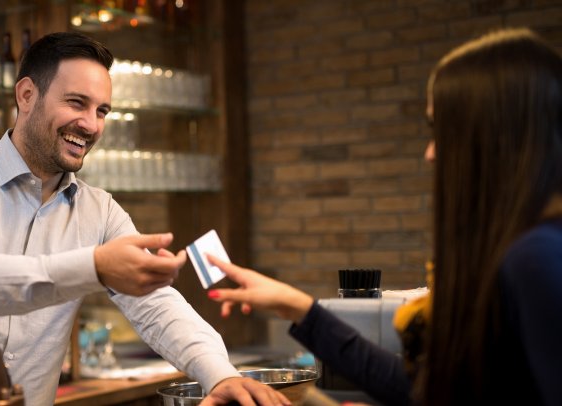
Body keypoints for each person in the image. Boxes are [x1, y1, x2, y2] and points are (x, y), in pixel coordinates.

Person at [0, 32, 288, 406]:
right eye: (76, 103)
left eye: (102, 110)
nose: (90, 125)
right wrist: (95, 267)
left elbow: (156, 305)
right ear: (26, 95)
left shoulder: (100, 210)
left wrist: (218, 374)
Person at [206, 27, 562, 406]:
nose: (430, 153)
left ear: (493, 137)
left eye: (440, 131)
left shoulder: (536, 258)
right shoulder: (517, 250)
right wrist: (298, 308)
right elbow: (429, 390)